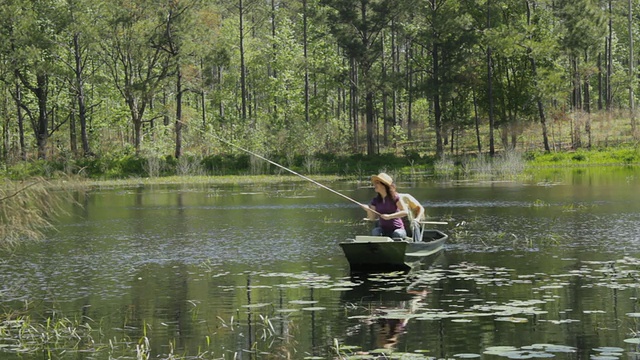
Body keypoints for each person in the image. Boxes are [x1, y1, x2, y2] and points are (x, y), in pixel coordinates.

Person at [360, 173, 408, 239]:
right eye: (374, 183)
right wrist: (368, 210)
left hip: (398, 229)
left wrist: (390, 216)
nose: (374, 185)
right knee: (375, 232)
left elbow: (405, 212)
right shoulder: (375, 201)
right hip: (383, 230)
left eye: (377, 183)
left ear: (384, 185)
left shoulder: (395, 197)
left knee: (397, 234)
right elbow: (372, 218)